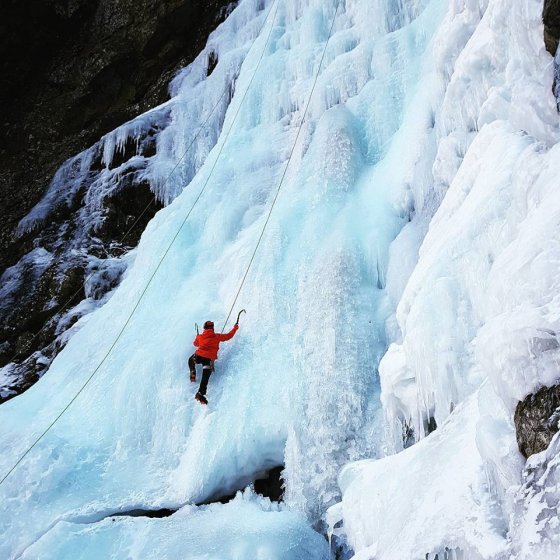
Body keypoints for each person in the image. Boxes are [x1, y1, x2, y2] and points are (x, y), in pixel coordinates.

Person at [188, 320, 239, 405]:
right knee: (205, 377)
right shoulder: (217, 336)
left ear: (204, 328)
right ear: (212, 328)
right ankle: (200, 393)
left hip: (198, 356)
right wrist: (235, 327)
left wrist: (197, 337)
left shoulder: (200, 337)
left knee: (190, 360)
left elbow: (195, 344)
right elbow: (229, 336)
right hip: (208, 360)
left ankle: (193, 372)